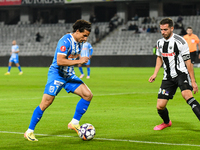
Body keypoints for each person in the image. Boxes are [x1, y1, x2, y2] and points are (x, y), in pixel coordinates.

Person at [24, 20, 93, 141]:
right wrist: (79, 61)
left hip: (69, 75)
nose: (85, 39)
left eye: (87, 36)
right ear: (77, 31)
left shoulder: (79, 42)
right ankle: (29, 131)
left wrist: (78, 59)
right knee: (46, 103)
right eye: (84, 35)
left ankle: (74, 123)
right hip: (57, 75)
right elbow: (60, 61)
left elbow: (72, 57)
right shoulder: (65, 41)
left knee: (88, 95)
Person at [149, 18, 200, 131]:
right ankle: (167, 122)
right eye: (161, 30)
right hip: (167, 78)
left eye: (165, 30)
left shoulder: (180, 41)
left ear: (172, 28)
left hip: (181, 74)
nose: (163, 32)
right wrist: (155, 73)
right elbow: (159, 58)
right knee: (160, 106)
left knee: (187, 96)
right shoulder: (159, 42)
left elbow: (188, 62)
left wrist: (193, 81)